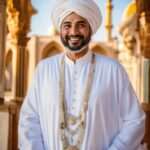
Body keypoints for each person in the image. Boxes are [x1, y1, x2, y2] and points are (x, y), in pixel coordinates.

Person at [18, 0, 146, 150]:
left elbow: (135, 120)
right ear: (60, 29)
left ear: (91, 28)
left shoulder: (113, 70)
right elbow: (29, 120)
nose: (74, 32)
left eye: (81, 25)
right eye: (67, 25)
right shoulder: (44, 70)